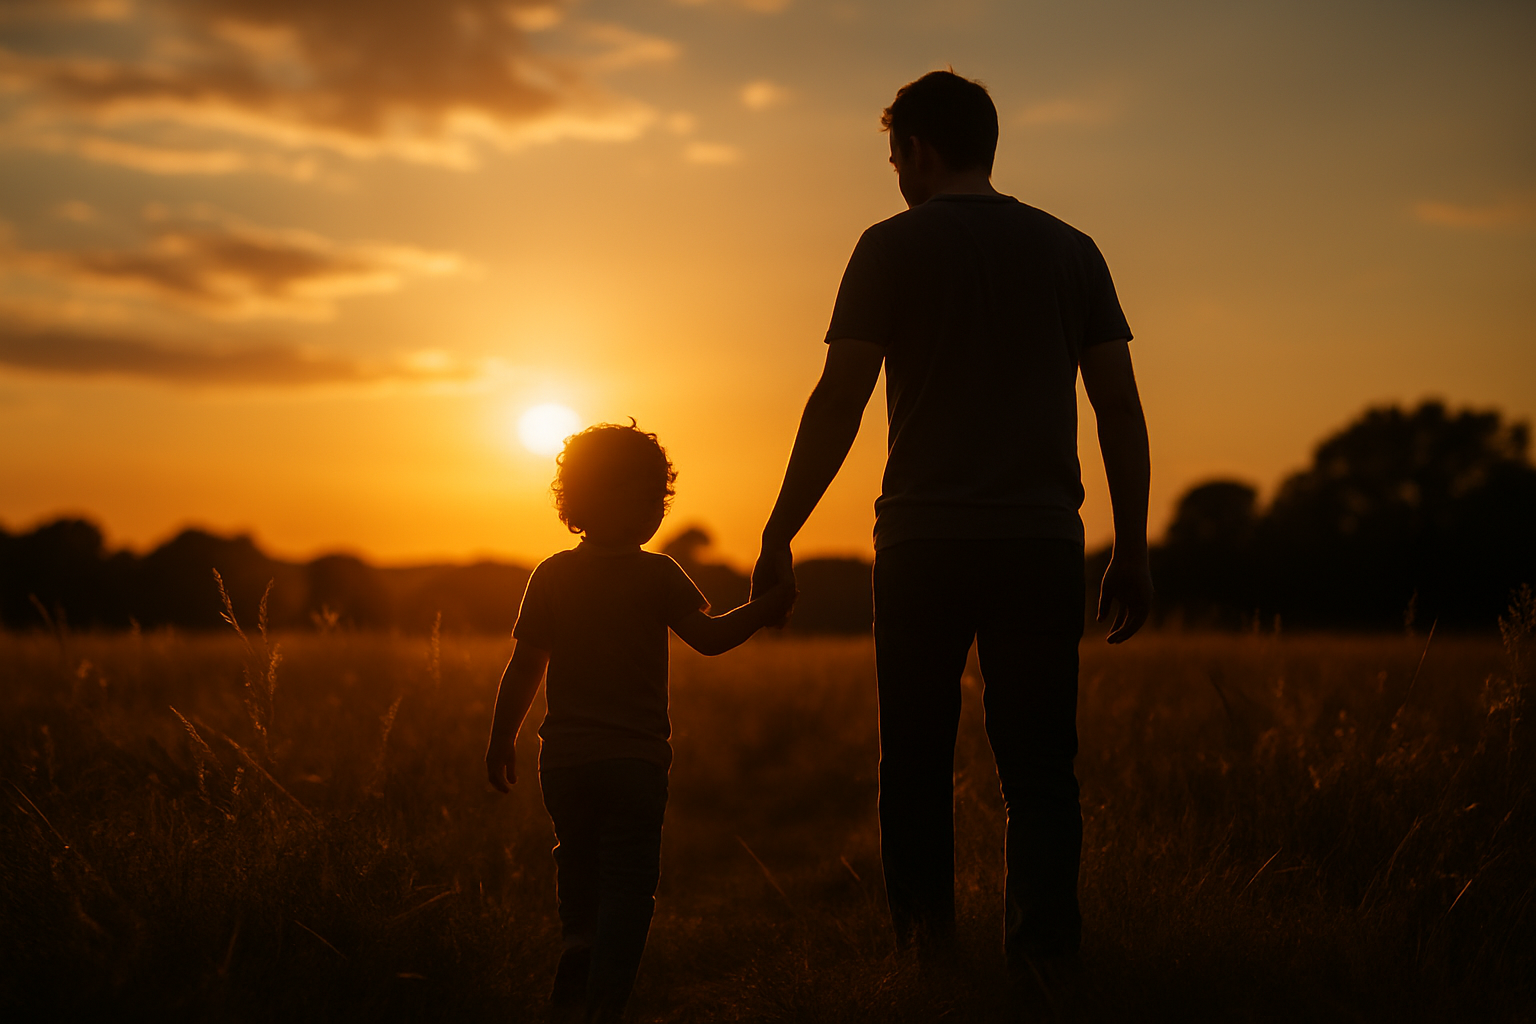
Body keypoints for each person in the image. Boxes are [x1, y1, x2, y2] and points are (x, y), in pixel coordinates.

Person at [751, 70, 1154, 968]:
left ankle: (926, 961)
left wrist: (781, 528)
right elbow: (1118, 410)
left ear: (920, 151)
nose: (896, 178)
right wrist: (1129, 545)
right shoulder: (1072, 249)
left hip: (922, 545)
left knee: (917, 768)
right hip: (1041, 542)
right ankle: (1045, 971)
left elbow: (839, 401)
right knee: (1043, 771)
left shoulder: (889, 247)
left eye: (896, 159)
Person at [485, 421, 795, 1023]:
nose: (656, 511)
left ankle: (578, 942)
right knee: (628, 880)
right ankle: (605, 1000)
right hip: (635, 760)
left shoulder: (550, 574)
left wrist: (502, 738)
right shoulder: (659, 574)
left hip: (565, 760)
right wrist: (764, 610)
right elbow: (707, 639)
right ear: (605, 500)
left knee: (574, 855)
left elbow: (524, 666)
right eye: (649, 498)